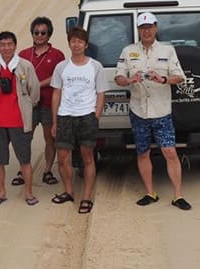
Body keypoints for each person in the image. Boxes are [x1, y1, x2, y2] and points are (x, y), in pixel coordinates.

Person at [114, 12, 192, 211]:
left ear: (156, 28)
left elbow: (179, 77)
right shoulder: (128, 51)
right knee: (142, 152)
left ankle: (178, 195)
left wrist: (163, 79)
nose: (146, 30)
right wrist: (130, 80)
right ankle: (150, 192)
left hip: (161, 110)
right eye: (143, 27)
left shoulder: (167, 50)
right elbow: (119, 77)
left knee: (170, 152)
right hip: (138, 111)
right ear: (138, 30)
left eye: (149, 27)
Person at [50, 26, 106, 214]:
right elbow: (56, 94)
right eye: (73, 41)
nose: (76, 45)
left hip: (86, 116)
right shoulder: (61, 67)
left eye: (80, 41)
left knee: (87, 158)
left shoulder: (95, 66)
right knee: (63, 158)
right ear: (69, 43)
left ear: (86, 44)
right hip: (65, 115)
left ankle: (87, 196)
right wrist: (55, 120)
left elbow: (100, 93)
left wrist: (95, 115)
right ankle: (68, 191)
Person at [0, 31, 41, 206]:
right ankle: (1, 192)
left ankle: (28, 193)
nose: (7, 48)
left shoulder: (25, 66)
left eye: (10, 44)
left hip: (19, 120)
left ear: (15, 46)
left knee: (24, 159)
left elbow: (35, 90)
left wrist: (26, 105)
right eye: (3, 44)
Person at [15, 16, 66, 187]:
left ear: (49, 34)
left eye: (43, 32)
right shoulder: (23, 54)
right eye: (36, 32)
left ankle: (47, 170)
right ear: (32, 33)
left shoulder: (57, 55)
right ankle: (22, 170)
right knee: (24, 137)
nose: (39, 35)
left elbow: (57, 77)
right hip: (28, 103)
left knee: (49, 137)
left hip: (48, 103)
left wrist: (36, 84)